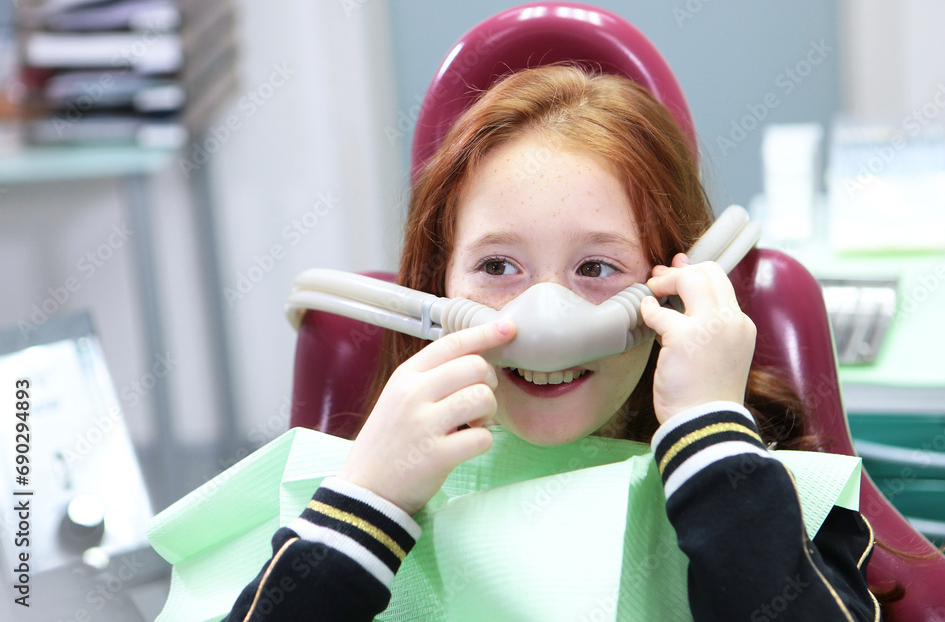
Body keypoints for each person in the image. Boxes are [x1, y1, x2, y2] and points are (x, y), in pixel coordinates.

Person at [223, 64, 880, 621]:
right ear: (437, 286)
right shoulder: (371, 476)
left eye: (595, 268)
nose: (542, 319)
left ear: (675, 285)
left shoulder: (762, 487)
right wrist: (369, 499)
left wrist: (711, 443)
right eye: (497, 266)